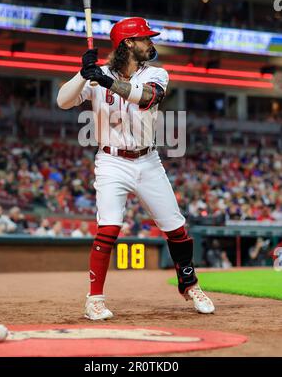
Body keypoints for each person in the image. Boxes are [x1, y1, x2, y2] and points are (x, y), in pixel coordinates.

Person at [57, 17, 215, 320]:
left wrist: (104, 81)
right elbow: (63, 101)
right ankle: (95, 300)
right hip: (111, 161)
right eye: (145, 38)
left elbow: (147, 97)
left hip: (148, 161)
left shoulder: (156, 73)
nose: (150, 43)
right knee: (109, 227)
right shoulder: (96, 75)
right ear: (128, 43)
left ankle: (190, 285)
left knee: (175, 227)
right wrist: (82, 73)